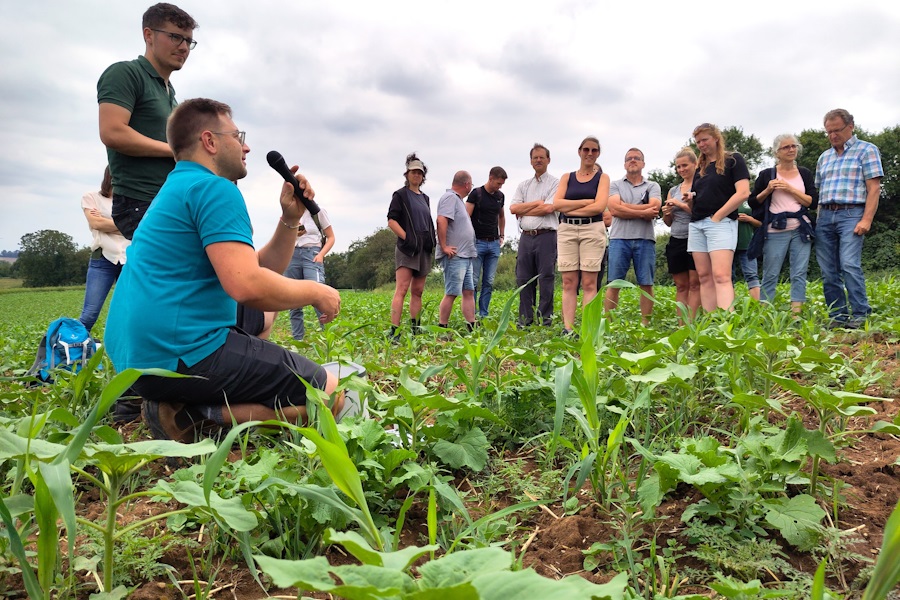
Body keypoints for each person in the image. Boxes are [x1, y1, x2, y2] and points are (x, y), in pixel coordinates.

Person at [105, 98, 351, 442]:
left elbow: (256, 269)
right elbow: (247, 285)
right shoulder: (215, 188)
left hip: (137, 358)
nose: (246, 146)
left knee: (262, 317)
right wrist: (317, 291)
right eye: (238, 136)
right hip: (176, 354)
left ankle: (195, 396)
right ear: (210, 141)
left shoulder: (178, 187)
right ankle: (193, 416)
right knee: (330, 393)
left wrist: (291, 219)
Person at [98, 3, 198, 240]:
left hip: (169, 198)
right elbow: (112, 132)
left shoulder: (169, 93)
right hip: (140, 200)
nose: (183, 47)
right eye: (175, 37)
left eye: (188, 41)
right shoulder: (125, 73)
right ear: (148, 35)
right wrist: (176, 151)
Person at [815, 109, 884, 329]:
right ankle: (838, 316)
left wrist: (866, 220)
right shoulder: (824, 157)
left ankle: (861, 314)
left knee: (849, 264)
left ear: (851, 126)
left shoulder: (867, 150)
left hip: (851, 214)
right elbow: (820, 192)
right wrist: (818, 220)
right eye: (829, 132)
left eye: (837, 130)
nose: (833, 135)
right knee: (828, 270)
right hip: (825, 214)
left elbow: (874, 188)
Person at [749, 134, 817, 313]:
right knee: (771, 273)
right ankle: (765, 313)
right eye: (786, 147)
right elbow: (753, 202)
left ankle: (796, 314)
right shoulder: (767, 175)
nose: (791, 150)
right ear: (776, 152)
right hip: (774, 229)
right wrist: (768, 189)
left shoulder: (804, 173)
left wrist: (790, 189)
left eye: (794, 146)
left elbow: (812, 201)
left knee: (799, 272)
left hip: (801, 228)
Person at [687, 123, 750, 312]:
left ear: (716, 138)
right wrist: (690, 199)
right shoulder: (701, 168)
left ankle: (726, 325)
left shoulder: (733, 160)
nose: (701, 144)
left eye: (704, 139)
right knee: (704, 277)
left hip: (721, 222)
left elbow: (743, 192)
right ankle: (711, 321)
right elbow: (697, 200)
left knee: (721, 276)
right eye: (698, 142)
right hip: (697, 224)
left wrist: (718, 216)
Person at [552, 136, 610, 336]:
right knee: (568, 282)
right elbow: (557, 204)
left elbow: (600, 207)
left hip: (592, 229)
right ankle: (568, 328)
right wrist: (585, 203)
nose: (590, 154)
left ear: (598, 154)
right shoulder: (567, 177)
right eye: (586, 149)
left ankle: (587, 329)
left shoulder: (602, 178)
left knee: (589, 283)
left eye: (594, 150)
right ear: (579, 151)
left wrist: (571, 207)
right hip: (567, 230)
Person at [603, 148, 661, 325]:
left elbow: (655, 209)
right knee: (614, 283)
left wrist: (625, 208)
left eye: (637, 158)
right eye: (629, 158)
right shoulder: (615, 185)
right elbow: (614, 209)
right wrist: (643, 211)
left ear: (643, 163)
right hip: (619, 239)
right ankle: (609, 324)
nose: (633, 161)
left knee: (646, 283)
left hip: (645, 239)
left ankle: (645, 324)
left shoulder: (653, 186)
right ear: (624, 164)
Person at [387, 153, 436, 339]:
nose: (416, 175)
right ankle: (395, 332)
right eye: (413, 172)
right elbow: (392, 221)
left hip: (423, 249)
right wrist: (407, 238)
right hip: (407, 249)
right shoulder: (400, 195)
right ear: (407, 174)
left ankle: (415, 329)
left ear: (423, 177)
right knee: (402, 289)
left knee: (418, 291)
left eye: (419, 173)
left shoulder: (425, 198)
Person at [509, 144, 559, 327]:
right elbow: (513, 208)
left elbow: (549, 208)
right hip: (526, 237)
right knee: (523, 278)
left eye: (541, 157)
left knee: (546, 277)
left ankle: (545, 320)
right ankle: (525, 320)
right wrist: (537, 203)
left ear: (548, 160)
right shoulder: (523, 185)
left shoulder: (556, 183)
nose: (538, 160)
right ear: (531, 161)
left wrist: (527, 207)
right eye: (535, 157)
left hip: (546, 236)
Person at [79, 167, 129, 333]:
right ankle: (70, 350)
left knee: (131, 311)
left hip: (130, 260)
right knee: (90, 314)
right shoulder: (91, 197)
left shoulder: (132, 202)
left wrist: (106, 222)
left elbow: (141, 228)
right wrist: (127, 226)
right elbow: (96, 224)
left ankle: (126, 352)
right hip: (102, 260)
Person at [282, 208, 335, 340]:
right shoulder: (290, 211)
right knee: (293, 300)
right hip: (292, 254)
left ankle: (328, 336)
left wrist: (321, 254)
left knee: (319, 295)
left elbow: (331, 237)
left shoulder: (317, 212)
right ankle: (298, 340)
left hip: (312, 253)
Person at [662, 148, 701, 323]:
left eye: (685, 165)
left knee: (695, 284)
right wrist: (667, 212)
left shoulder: (700, 186)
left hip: (695, 237)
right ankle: (681, 325)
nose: (681, 169)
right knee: (681, 285)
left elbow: (701, 213)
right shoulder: (674, 190)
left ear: (695, 164)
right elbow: (668, 222)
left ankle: (692, 324)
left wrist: (682, 204)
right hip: (676, 239)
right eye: (678, 167)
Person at [436, 171, 477, 331]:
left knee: (469, 291)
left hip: (466, 255)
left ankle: (471, 324)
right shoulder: (450, 198)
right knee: (452, 292)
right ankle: (442, 326)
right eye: (471, 185)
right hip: (455, 254)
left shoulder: (459, 200)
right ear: (466, 184)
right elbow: (441, 220)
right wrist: (444, 246)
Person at [467, 167, 507, 319]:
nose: (499, 187)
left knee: (489, 282)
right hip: (477, 242)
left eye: (502, 184)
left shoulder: (500, 196)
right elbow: (466, 216)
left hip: (494, 243)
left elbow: (501, 216)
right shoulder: (476, 194)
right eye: (498, 183)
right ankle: (472, 314)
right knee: (474, 280)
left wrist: (502, 234)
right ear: (490, 178)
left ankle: (484, 314)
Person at [733, 201, 761, 300]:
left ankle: (757, 306)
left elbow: (760, 223)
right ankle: (730, 306)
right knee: (727, 277)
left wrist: (749, 219)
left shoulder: (750, 200)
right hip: (727, 244)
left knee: (752, 274)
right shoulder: (724, 195)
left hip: (747, 243)